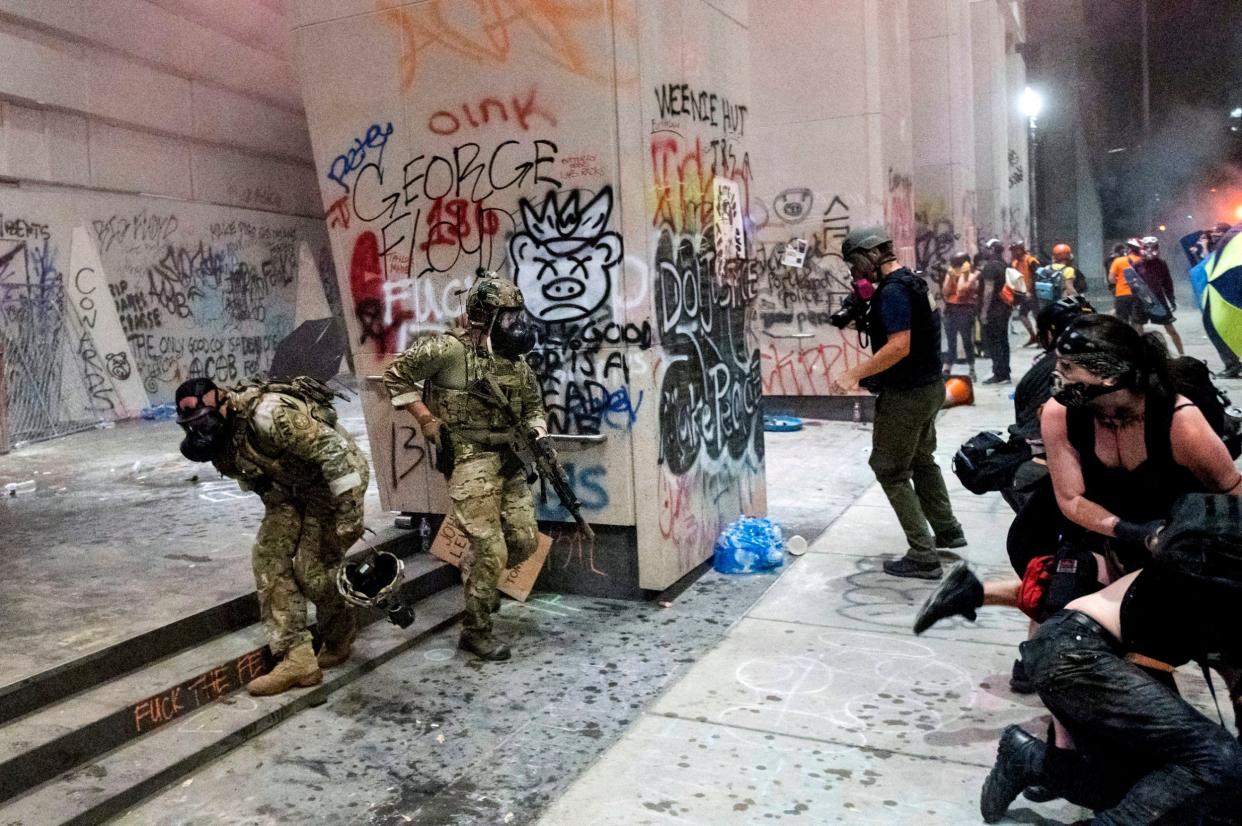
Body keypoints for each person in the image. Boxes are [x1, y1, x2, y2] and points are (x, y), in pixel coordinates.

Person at [915, 315, 1241, 632]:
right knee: (1070, 594)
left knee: (1171, 618)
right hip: (1099, 522)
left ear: (1109, 375)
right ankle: (1031, 651)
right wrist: (1133, 531)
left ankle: (976, 594)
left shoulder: (1180, 422)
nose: (1057, 375)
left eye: (1068, 367)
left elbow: (1233, 491)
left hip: (1172, 534)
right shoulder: (1061, 414)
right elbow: (1071, 500)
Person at [981, 560, 1242, 823]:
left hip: (1084, 656)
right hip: (1076, 648)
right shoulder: (1217, 563)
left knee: (1137, 787)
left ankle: (1029, 759)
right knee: (1218, 758)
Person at [383, 272, 545, 661]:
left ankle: (479, 581)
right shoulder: (447, 351)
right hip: (469, 456)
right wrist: (426, 420)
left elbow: (534, 405)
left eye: (517, 316)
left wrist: (538, 431)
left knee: (524, 541)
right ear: (483, 317)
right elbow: (395, 375)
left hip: (508, 458)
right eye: (506, 318)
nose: (516, 326)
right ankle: (476, 630)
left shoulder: (515, 363)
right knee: (490, 549)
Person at [174, 376, 369, 696]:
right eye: (192, 423)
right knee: (268, 556)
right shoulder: (224, 439)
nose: (200, 430)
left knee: (311, 570)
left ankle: (339, 632)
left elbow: (335, 453)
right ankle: (297, 658)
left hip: (332, 484)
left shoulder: (268, 415)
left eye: (204, 420)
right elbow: (260, 480)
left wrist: (349, 513)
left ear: (222, 402)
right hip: (289, 491)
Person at [832, 226, 965, 579]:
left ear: (868, 256)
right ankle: (947, 529)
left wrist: (853, 374)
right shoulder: (911, 282)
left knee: (889, 468)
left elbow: (899, 346)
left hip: (907, 394)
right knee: (921, 458)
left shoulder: (893, 293)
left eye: (855, 263)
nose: (855, 272)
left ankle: (923, 554)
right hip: (930, 387)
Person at [1138, 236, 1185, 355]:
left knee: (1170, 329)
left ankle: (1182, 355)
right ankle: (1139, 357)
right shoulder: (1137, 264)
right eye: (1146, 247)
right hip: (1141, 300)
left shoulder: (1161, 264)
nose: (1149, 250)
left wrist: (1171, 298)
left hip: (1158, 300)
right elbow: (1131, 282)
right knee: (1138, 330)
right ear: (1142, 248)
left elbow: (1167, 282)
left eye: (1152, 247)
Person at [979, 238, 1012, 384]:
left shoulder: (990, 267)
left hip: (993, 310)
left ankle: (999, 373)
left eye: (987, 248)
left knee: (994, 342)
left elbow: (988, 290)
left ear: (992, 249)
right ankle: (1005, 371)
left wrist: (984, 311)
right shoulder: (1004, 265)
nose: (985, 251)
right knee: (1003, 340)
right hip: (1004, 308)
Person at [940, 251, 978, 379]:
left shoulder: (971, 276)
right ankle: (947, 368)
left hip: (965, 309)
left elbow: (961, 291)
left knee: (967, 340)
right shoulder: (950, 274)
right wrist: (950, 277)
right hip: (951, 309)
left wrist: (964, 275)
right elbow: (945, 292)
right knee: (951, 341)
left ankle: (972, 368)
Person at [1108, 238, 1147, 331]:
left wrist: (1120, 281)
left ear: (1129, 249)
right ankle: (1139, 343)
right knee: (1138, 322)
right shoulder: (1143, 261)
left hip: (1121, 295)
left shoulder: (1118, 261)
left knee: (1122, 322)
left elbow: (1111, 279)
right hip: (1138, 295)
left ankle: (1126, 343)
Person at [1008, 240, 1041, 346]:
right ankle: (1033, 336)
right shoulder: (1015, 263)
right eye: (1012, 251)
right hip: (1022, 294)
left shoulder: (1031, 261)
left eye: (1015, 250)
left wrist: (1031, 291)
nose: (1013, 253)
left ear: (1021, 250)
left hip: (1033, 294)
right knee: (1022, 315)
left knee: (1037, 316)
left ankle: (1041, 338)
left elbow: (1037, 277)